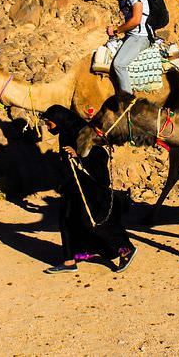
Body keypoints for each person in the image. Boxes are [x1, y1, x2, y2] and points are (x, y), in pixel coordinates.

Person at [41, 105, 137, 274]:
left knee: (96, 221)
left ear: (58, 120)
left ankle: (126, 250)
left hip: (89, 188)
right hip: (73, 186)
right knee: (66, 218)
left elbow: (100, 154)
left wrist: (78, 155)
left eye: (49, 124)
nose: (48, 128)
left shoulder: (81, 132)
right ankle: (69, 260)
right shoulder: (66, 132)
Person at [107, 0, 152, 95]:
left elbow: (136, 20)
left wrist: (116, 30)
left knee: (119, 64)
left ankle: (128, 102)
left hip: (141, 36)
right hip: (131, 36)